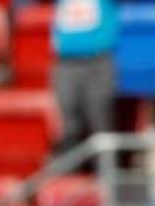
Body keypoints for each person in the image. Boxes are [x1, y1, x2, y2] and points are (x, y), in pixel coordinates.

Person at [52, 0, 118, 152]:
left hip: (98, 61)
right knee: (68, 126)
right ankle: (70, 172)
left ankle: (104, 171)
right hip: (65, 63)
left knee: (100, 122)